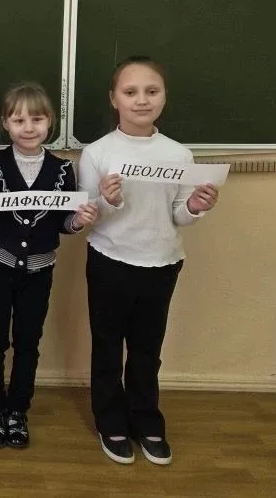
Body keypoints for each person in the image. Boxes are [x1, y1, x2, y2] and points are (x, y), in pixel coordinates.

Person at [77, 56, 220, 466]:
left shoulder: (179, 155)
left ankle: (145, 418)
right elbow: (87, 215)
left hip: (162, 262)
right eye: (131, 92)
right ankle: (110, 420)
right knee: (108, 346)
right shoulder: (97, 152)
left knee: (146, 349)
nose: (141, 100)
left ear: (164, 97)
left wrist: (194, 207)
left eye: (151, 91)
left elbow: (178, 214)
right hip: (110, 260)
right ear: (114, 99)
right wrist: (107, 199)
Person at [0, 82, 98, 451]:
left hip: (40, 270)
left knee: (28, 341)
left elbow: (63, 222)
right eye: (19, 120)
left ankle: (18, 409)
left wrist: (78, 221)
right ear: (5, 124)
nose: (28, 127)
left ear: (50, 122)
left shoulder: (63, 170)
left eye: (37, 119)